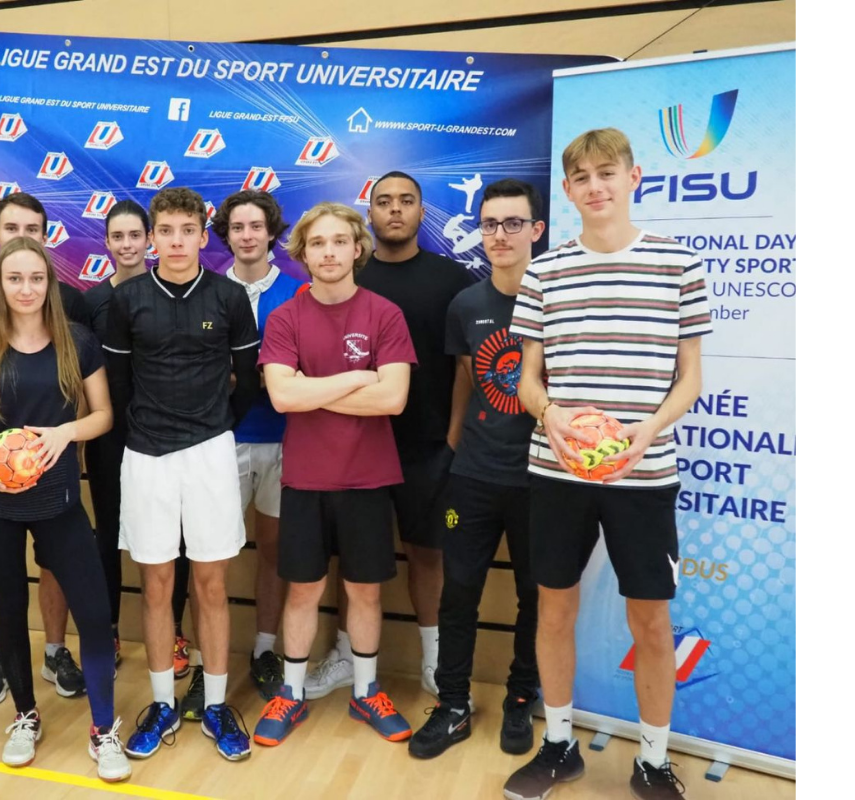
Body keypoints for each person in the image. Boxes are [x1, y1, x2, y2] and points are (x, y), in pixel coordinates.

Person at [503, 128, 711, 800]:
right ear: (567, 191)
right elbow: (526, 381)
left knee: (650, 621)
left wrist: (648, 431)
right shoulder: (544, 271)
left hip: (643, 477)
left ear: (634, 177)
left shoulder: (680, 266)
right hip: (557, 473)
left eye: (606, 173)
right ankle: (559, 746)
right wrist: (551, 416)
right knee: (552, 609)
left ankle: (653, 759)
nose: (595, 187)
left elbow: (690, 380)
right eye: (582, 177)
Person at [0, 237, 130, 782]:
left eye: (36, 278)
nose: (26, 289)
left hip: (60, 502)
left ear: (50, 283)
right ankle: (25, 715)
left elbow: (103, 416)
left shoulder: (78, 341)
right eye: (15, 278)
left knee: (93, 616)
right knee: (8, 608)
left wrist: (64, 432)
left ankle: (103, 730)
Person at [295, 171, 472, 700]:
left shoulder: (452, 280)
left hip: (425, 446)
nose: (395, 210)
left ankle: (435, 660)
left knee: (427, 555)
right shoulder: (346, 278)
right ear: (368, 216)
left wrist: (455, 435)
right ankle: (349, 656)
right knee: (353, 565)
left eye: (407, 201)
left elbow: (467, 366)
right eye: (384, 201)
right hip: (349, 447)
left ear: (422, 211)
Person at [103, 187, 260, 762]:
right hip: (145, 454)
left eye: (185, 230)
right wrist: (149, 432)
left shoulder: (228, 296)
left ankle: (215, 704)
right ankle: (164, 703)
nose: (174, 241)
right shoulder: (128, 300)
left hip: (211, 451)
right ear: (151, 237)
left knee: (211, 583)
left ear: (202, 233)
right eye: (164, 230)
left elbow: (246, 378)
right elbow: (117, 389)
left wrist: (213, 427)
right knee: (157, 585)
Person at [253, 202, 415, 747]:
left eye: (339, 241)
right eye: (317, 243)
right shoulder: (285, 318)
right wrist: (355, 377)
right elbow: (281, 395)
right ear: (303, 252)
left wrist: (313, 392)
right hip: (305, 479)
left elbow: (392, 399)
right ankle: (291, 694)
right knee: (302, 590)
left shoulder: (385, 313)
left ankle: (366, 691)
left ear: (356, 248)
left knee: (364, 592)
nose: (328, 252)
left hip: (368, 479)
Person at [409, 179, 544, 760]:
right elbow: (467, 376)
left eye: (514, 223)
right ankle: (454, 703)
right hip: (475, 475)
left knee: (535, 595)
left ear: (537, 230)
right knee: (458, 593)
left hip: (544, 477)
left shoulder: (557, 298)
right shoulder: (466, 304)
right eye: (491, 224)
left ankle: (520, 697)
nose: (500, 235)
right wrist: (457, 446)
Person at [0, 192, 88, 706]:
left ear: (46, 237)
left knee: (53, 562)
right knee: (0, 570)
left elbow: (75, 389)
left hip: (50, 463)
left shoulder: (70, 304)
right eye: (12, 228)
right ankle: (1, 652)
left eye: (33, 229)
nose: (22, 238)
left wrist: (53, 443)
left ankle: (55, 650)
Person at [178, 190, 303, 717]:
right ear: (223, 235)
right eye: (237, 227)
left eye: (257, 226)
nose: (247, 235)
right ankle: (210, 667)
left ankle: (264, 651)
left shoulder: (300, 292)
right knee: (209, 560)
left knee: (274, 552)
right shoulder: (204, 290)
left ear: (272, 232)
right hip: (217, 441)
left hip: (284, 440)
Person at [83, 200, 152, 667]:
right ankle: (107, 630)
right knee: (108, 532)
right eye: (118, 237)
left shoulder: (169, 291)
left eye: (135, 235)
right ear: (106, 242)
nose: (127, 245)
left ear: (149, 239)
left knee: (169, 537)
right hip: (107, 435)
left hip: (159, 435)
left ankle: (173, 632)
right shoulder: (89, 303)